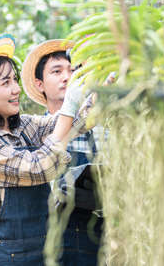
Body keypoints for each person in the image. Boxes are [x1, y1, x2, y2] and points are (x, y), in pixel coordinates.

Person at [0, 34, 91, 266]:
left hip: (40, 253)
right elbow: (38, 168)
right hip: (0, 257)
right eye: (6, 83)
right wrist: (69, 105)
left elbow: (72, 123)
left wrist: (97, 89)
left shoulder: (23, 126)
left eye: (14, 80)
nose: (16, 89)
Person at [22, 39, 106, 266]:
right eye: (56, 71)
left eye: (73, 70)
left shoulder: (100, 127)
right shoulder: (33, 131)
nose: (67, 77)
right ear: (39, 84)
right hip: (49, 233)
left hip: (97, 231)